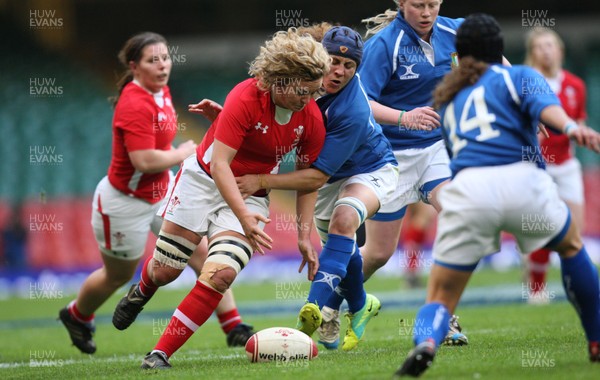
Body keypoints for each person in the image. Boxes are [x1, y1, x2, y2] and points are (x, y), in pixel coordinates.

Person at [395, 13, 600, 377]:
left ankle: (425, 343)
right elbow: (547, 110)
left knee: (440, 297)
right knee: (570, 247)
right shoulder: (519, 75)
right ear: (500, 48)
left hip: (468, 192)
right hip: (522, 182)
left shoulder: (448, 97)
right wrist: (570, 127)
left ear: (459, 53)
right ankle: (596, 339)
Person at [129, 28, 330, 369]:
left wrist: (303, 235)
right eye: (301, 91)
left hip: (251, 193)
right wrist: (247, 220)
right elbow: (220, 165)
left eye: (314, 91)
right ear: (279, 81)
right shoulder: (246, 97)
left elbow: (308, 182)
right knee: (166, 271)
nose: (307, 99)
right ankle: (142, 290)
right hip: (203, 180)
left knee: (221, 274)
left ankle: (159, 354)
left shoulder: (311, 119)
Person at [58, 32, 252, 355]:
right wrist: (183, 153)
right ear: (134, 67)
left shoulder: (161, 90)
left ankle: (233, 326)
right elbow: (143, 160)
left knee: (203, 254)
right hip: (123, 203)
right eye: (153, 60)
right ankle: (76, 315)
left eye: (165, 57)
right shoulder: (133, 103)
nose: (163, 66)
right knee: (117, 275)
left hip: (161, 192)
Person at [321, 0, 479, 347]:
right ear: (401, 4)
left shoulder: (457, 32)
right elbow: (362, 102)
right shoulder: (384, 45)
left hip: (436, 148)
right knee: (377, 254)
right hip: (391, 156)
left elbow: (495, 60)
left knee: (459, 213)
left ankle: (441, 316)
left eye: (433, 4)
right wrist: (405, 117)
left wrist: (532, 109)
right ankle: (329, 305)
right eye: (418, 4)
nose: (427, 12)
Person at [236, 26, 399, 351]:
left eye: (349, 66)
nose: (339, 72)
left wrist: (262, 181)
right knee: (346, 250)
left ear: (357, 68)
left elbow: (313, 177)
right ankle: (361, 304)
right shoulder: (302, 81)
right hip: (325, 175)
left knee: (344, 222)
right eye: (333, 62)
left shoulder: (352, 110)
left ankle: (313, 309)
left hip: (371, 169)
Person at [523, 27, 588, 304]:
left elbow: (579, 123)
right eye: (540, 46)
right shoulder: (525, 83)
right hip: (536, 167)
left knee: (574, 231)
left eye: (551, 45)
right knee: (543, 228)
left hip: (567, 165)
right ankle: (536, 290)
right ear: (532, 53)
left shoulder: (575, 85)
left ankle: (578, 290)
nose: (546, 50)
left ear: (560, 50)